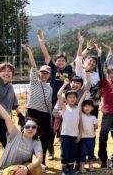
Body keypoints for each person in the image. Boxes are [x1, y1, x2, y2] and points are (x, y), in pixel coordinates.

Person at [38, 30, 73, 160]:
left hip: (67, 100)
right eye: (58, 61)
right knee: (51, 126)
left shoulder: (69, 69)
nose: (60, 62)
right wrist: (42, 42)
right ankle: (50, 150)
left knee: (66, 126)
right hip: (53, 100)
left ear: (66, 62)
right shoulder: (53, 69)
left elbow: (79, 60)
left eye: (62, 61)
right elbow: (46, 56)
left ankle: (67, 151)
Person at [0, 92, 43, 175]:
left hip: (21, 170)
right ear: (23, 128)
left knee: (37, 168)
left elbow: (40, 159)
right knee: (15, 170)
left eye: (33, 127)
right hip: (5, 171)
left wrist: (27, 168)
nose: (30, 129)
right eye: (28, 126)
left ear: (37, 129)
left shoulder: (36, 141)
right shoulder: (15, 134)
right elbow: (7, 118)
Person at [22, 45, 53, 171]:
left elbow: (50, 104)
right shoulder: (34, 82)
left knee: (44, 138)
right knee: (29, 136)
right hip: (32, 112)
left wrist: (50, 117)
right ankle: (28, 161)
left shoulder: (50, 88)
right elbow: (34, 66)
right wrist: (30, 52)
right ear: (39, 74)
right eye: (42, 72)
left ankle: (42, 161)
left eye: (47, 73)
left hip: (45, 114)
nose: (44, 74)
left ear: (49, 75)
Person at [57, 79, 84, 175]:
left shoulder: (78, 108)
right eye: (70, 97)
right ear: (66, 99)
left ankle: (71, 169)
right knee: (65, 153)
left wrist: (80, 133)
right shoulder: (64, 108)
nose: (72, 99)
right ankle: (64, 170)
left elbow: (80, 122)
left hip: (74, 135)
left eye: (74, 97)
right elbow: (59, 95)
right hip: (64, 135)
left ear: (76, 99)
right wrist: (65, 84)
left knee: (73, 153)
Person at [75, 31, 101, 118]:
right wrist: (86, 48)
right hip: (81, 100)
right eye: (89, 60)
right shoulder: (80, 71)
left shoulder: (97, 75)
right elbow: (78, 58)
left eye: (94, 62)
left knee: (92, 124)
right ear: (84, 61)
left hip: (94, 103)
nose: (92, 62)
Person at [78, 99, 98, 172]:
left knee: (91, 152)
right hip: (83, 138)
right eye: (85, 106)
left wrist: (95, 125)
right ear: (83, 108)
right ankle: (82, 167)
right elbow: (79, 106)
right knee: (83, 152)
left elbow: (96, 127)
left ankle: (91, 166)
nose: (87, 108)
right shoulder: (81, 115)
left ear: (92, 108)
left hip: (92, 138)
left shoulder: (93, 117)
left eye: (89, 106)